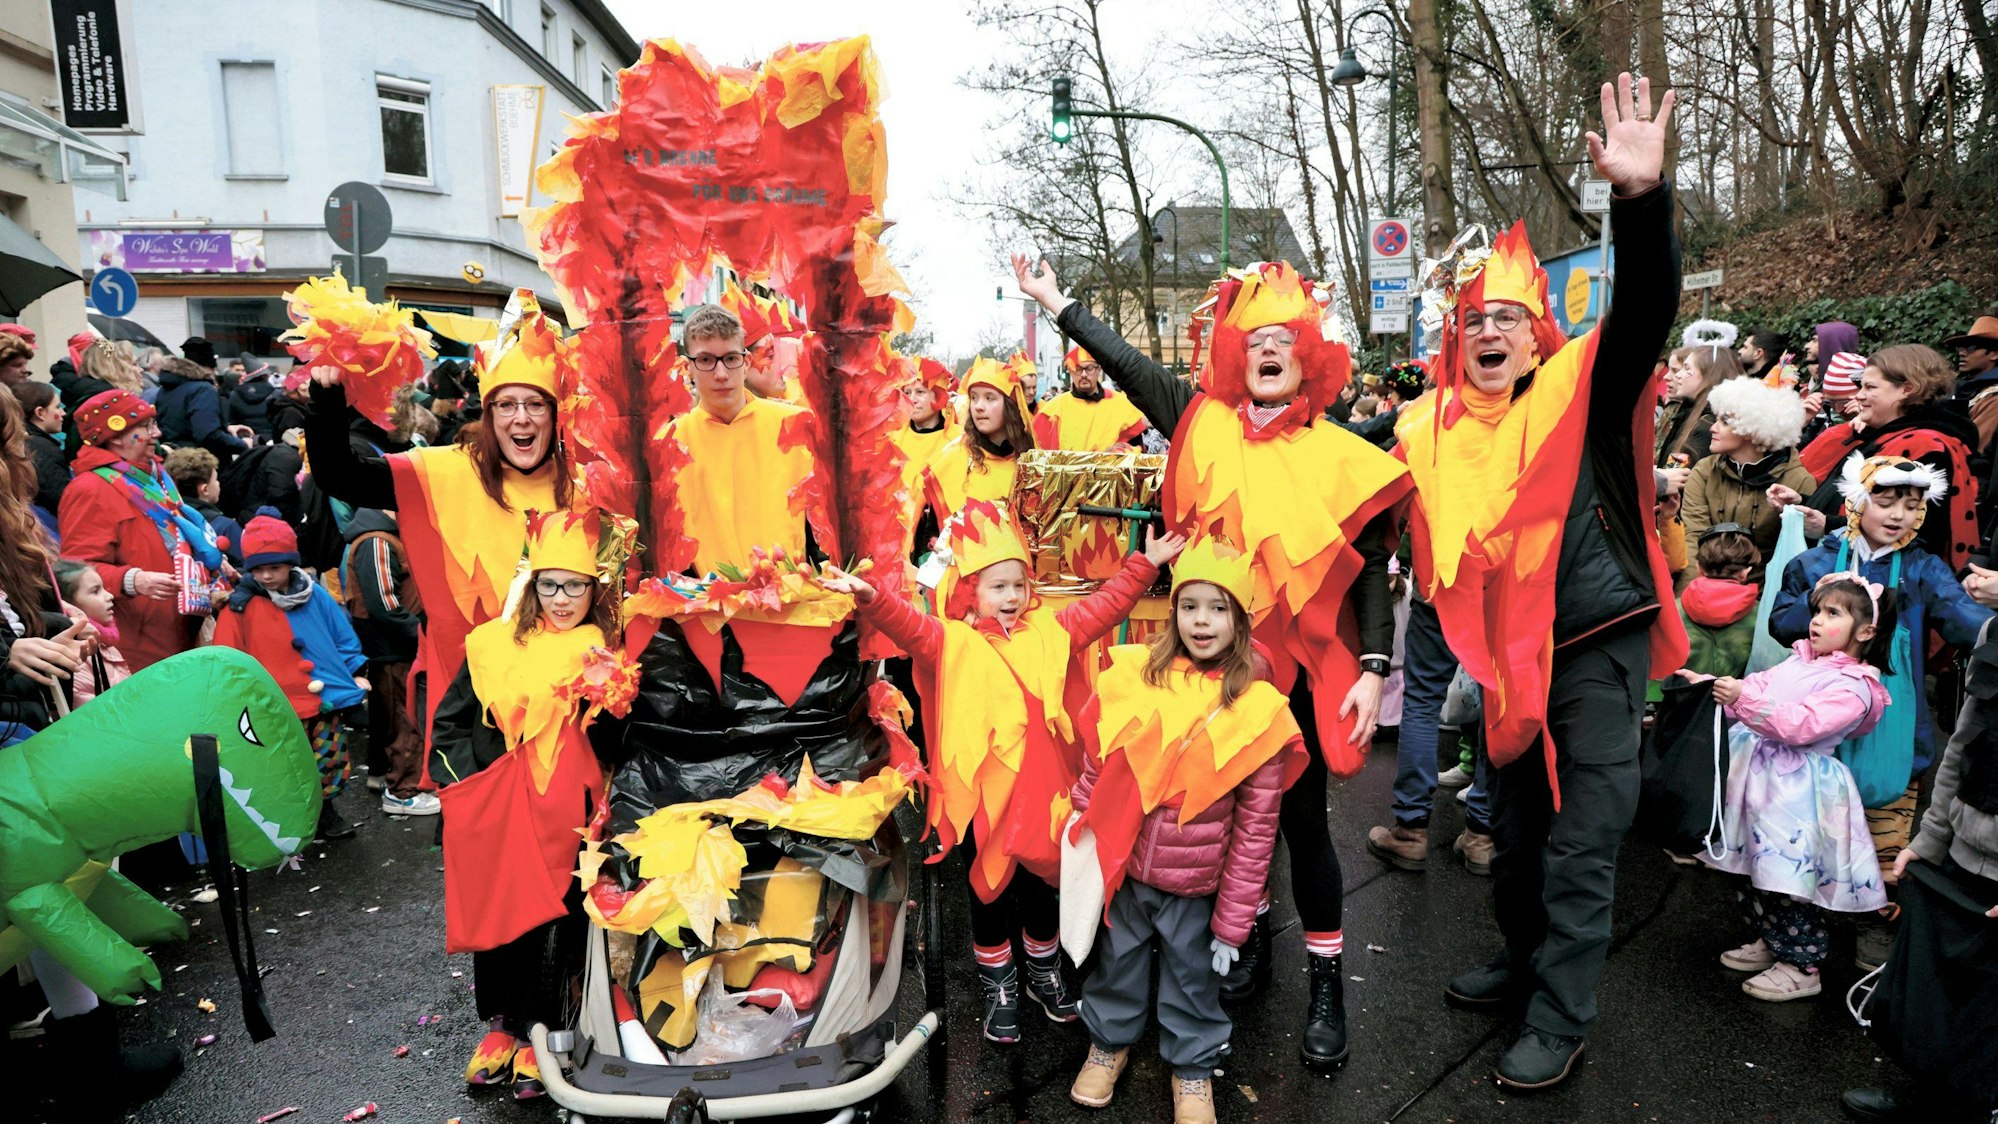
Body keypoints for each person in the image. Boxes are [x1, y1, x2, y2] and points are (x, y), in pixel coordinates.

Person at [1016, 250, 1407, 1071]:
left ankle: (1327, 983)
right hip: (1198, 671)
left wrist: (1373, 666)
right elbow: (1128, 367)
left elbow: (1371, 562)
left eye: (1285, 338)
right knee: (1194, 817)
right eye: (1255, 338)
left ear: (1308, 356)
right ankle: (1240, 932)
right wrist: (1058, 303)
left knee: (1299, 828)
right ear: (1239, 353)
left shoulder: (1339, 452)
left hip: (1289, 676)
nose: (1268, 350)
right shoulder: (1200, 419)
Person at [1394, 75, 1685, 1090]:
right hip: (1502, 670)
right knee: (1513, 842)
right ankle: (1523, 965)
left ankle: (1562, 1014)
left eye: (1512, 318)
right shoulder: (1424, 432)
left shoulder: (1582, 392)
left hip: (1591, 646)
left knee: (1583, 844)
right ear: (1455, 336)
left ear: (1537, 336)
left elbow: (1647, 308)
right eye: (1477, 316)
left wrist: (1640, 204)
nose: (1493, 330)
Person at [819, 501, 1182, 1045]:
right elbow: (912, 626)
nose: (1011, 598)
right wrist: (874, 599)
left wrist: (1142, 566)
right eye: (997, 588)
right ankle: (1000, 983)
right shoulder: (953, 643)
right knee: (989, 894)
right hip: (982, 803)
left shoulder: (1050, 632)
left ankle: (1041, 970)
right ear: (970, 594)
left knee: (1043, 890)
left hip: (1046, 797)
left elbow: (1103, 609)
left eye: (1018, 585)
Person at [1063, 538, 1305, 1123]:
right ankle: (1108, 1042)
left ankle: (1193, 1070)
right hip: (1126, 867)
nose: (1202, 620)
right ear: (1173, 611)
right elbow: (1103, 757)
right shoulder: (1138, 676)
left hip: (1197, 884)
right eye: (1190, 605)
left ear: (1241, 619)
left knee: (1193, 980)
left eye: (1219, 608)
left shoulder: (1258, 707)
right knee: (1116, 963)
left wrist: (1234, 920)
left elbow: (1256, 829)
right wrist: (1081, 824)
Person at [304, 294, 579, 761]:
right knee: (477, 818)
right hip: (469, 696)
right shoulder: (445, 470)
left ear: (555, 415)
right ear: (488, 417)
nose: (522, 418)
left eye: (536, 404)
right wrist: (328, 406)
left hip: (565, 691)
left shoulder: (585, 482)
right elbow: (343, 476)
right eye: (506, 405)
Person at [1770, 454, 1995, 970]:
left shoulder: (1921, 567)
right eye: (1886, 500)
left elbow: (1965, 619)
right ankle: (1785, 933)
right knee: (1799, 835)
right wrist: (1823, 605)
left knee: (1884, 845)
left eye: (1912, 504)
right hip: (1812, 726)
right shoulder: (1816, 562)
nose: (1898, 514)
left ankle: (1878, 929)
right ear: (1856, 500)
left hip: (1891, 732)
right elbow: (1782, 621)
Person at [431, 510, 625, 1102]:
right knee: (503, 923)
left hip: (572, 810)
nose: (562, 599)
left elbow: (616, 743)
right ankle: (505, 1028)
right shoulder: (489, 643)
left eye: (576, 585)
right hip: (500, 806)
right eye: (550, 584)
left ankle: (552, 1033)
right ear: (530, 584)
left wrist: (612, 703)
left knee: (564, 921)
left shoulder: (607, 651)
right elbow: (449, 724)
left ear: (596, 589)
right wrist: (475, 786)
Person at [1696, 575, 1893, 1000]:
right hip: (1759, 782)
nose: (1817, 621)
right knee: (1752, 870)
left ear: (1865, 631)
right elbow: (1758, 689)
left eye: (1833, 613)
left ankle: (1801, 964)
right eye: (1818, 611)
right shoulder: (1799, 661)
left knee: (1785, 878)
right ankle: (1772, 941)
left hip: (1796, 793)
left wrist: (1740, 701)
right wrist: (1709, 688)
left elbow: (1800, 726)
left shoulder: (1854, 687)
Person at [1840, 620, 1998, 1121]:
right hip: (1966, 851)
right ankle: (1931, 1098)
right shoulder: (1994, 631)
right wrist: (1929, 841)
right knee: (1945, 991)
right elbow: (1963, 746)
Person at [212, 509, 370, 840]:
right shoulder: (239, 609)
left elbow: (341, 635)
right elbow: (227, 659)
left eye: (274, 567)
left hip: (323, 699)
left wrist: (354, 672)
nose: (266, 576)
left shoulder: (316, 596)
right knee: (285, 764)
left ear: (290, 564)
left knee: (328, 757)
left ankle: (326, 813)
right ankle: (291, 820)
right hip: (276, 704)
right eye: (258, 569)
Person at [57, 390, 225, 672]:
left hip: (180, 625)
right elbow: (75, 572)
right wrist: (133, 580)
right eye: (146, 426)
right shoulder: (89, 490)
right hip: (139, 642)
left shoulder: (154, 476)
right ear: (115, 436)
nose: (157, 433)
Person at [658, 303, 815, 575]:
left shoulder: (796, 426)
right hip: (708, 610)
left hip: (792, 602)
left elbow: (822, 529)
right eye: (706, 360)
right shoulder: (668, 443)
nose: (721, 374)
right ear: (687, 368)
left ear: (746, 362)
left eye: (730, 359)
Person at [1797, 345, 1980, 573]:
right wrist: (1802, 502)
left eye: (1870, 387)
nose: (1859, 395)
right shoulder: (1893, 436)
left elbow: (1909, 531)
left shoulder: (1924, 446)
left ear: (1907, 389)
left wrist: (1827, 525)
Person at [340, 506, 434, 816]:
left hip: (392, 647)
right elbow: (384, 604)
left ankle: (382, 776)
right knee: (403, 718)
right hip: (393, 648)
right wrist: (422, 634)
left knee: (389, 715)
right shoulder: (377, 541)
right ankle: (402, 792)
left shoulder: (382, 538)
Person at [1679, 375, 1814, 573]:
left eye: (1724, 422)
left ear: (1752, 429)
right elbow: (1693, 542)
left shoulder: (1798, 482)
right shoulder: (1704, 472)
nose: (1712, 428)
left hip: (1762, 595)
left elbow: (1796, 555)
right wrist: (1689, 600)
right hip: (1704, 587)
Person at [922, 353, 1037, 526]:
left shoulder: (1029, 463)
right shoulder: (953, 458)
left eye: (989, 398)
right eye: (974, 397)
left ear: (1010, 405)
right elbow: (932, 534)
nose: (978, 406)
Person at [1678, 526, 1763, 679]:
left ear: (1699, 568)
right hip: (1740, 699)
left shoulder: (1671, 611)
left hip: (1676, 697)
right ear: (1745, 572)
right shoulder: (1763, 617)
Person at [1032, 346, 1148, 451]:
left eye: (1089, 368)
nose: (1083, 374)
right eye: (1078, 369)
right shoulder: (1054, 409)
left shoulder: (1120, 404)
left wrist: (1117, 453)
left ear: (1099, 369)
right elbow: (1039, 455)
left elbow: (1138, 450)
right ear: (1070, 372)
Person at [1656, 332, 1742, 467]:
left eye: (1686, 368)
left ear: (1709, 375)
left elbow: (1681, 476)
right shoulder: (1687, 413)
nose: (1678, 375)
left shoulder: (1708, 426)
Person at [53, 560, 128, 704]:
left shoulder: (107, 647)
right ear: (69, 604)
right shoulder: (76, 655)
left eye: (104, 588)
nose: (109, 596)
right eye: (95, 591)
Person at [153, 357, 251, 464]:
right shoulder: (202, 389)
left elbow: (178, 423)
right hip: (201, 463)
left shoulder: (165, 390)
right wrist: (242, 444)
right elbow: (208, 434)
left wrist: (225, 428)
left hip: (174, 460)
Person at [162, 446, 244, 566]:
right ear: (204, 489)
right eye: (215, 479)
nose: (218, 483)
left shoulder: (165, 521)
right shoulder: (226, 527)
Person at [12, 381, 69, 524]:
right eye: (57, 407)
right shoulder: (42, 450)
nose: (63, 413)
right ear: (40, 413)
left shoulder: (26, 443)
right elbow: (63, 500)